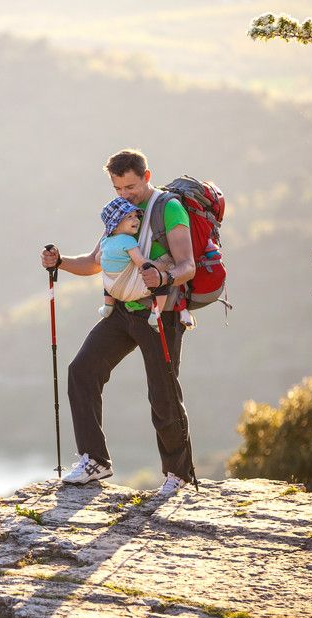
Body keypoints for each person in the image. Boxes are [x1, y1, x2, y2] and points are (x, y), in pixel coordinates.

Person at [40, 148, 197, 495]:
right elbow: (96, 262)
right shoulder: (121, 213)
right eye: (118, 189)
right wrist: (60, 262)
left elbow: (188, 266)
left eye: (131, 187)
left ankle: (179, 475)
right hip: (123, 310)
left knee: (163, 392)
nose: (126, 195)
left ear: (147, 176)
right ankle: (95, 460)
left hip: (160, 313)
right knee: (81, 371)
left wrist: (164, 278)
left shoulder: (168, 208)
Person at [97, 196, 174, 330]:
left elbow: (98, 259)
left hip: (111, 290)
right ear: (115, 223)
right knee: (162, 281)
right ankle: (155, 316)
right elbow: (143, 263)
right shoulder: (128, 241)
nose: (136, 220)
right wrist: (164, 266)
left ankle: (107, 306)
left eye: (136, 216)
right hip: (129, 291)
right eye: (129, 217)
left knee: (110, 275)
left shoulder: (105, 242)